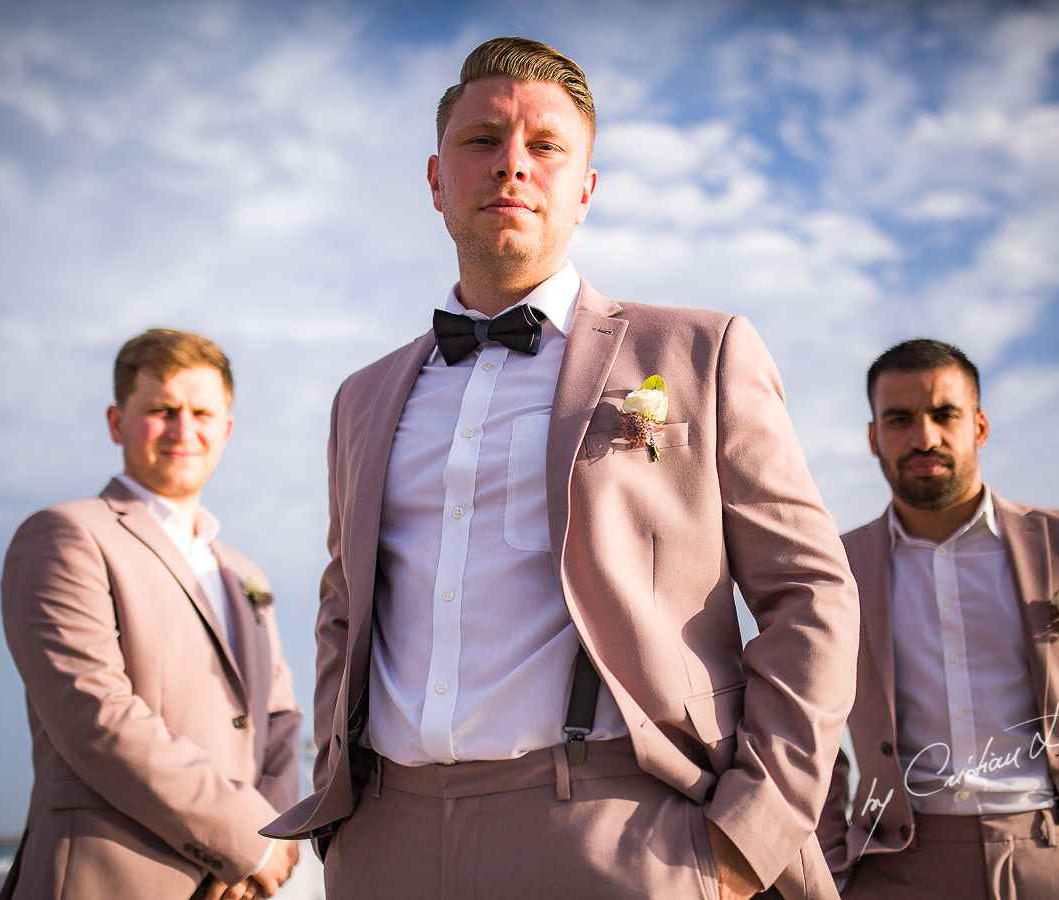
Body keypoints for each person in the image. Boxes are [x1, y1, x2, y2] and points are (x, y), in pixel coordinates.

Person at [263, 36, 858, 900]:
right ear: (436, 180)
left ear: (584, 189)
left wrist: (746, 838)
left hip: (624, 832)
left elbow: (813, 595)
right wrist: (343, 817)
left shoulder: (701, 352)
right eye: (482, 141)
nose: (513, 165)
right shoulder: (361, 397)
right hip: (387, 844)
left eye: (545, 146)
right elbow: (343, 609)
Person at [817, 338, 1059, 899]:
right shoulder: (836, 568)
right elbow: (803, 727)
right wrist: (830, 871)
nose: (925, 437)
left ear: (980, 426)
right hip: (896, 867)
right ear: (873, 438)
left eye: (945, 414)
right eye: (899, 419)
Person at [0, 328, 302, 900]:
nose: (183, 430)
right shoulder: (65, 536)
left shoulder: (245, 573)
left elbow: (281, 719)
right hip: (109, 879)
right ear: (117, 422)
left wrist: (270, 839)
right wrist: (246, 841)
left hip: (237, 886)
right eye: (161, 410)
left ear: (227, 429)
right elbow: (95, 714)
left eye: (201, 412)